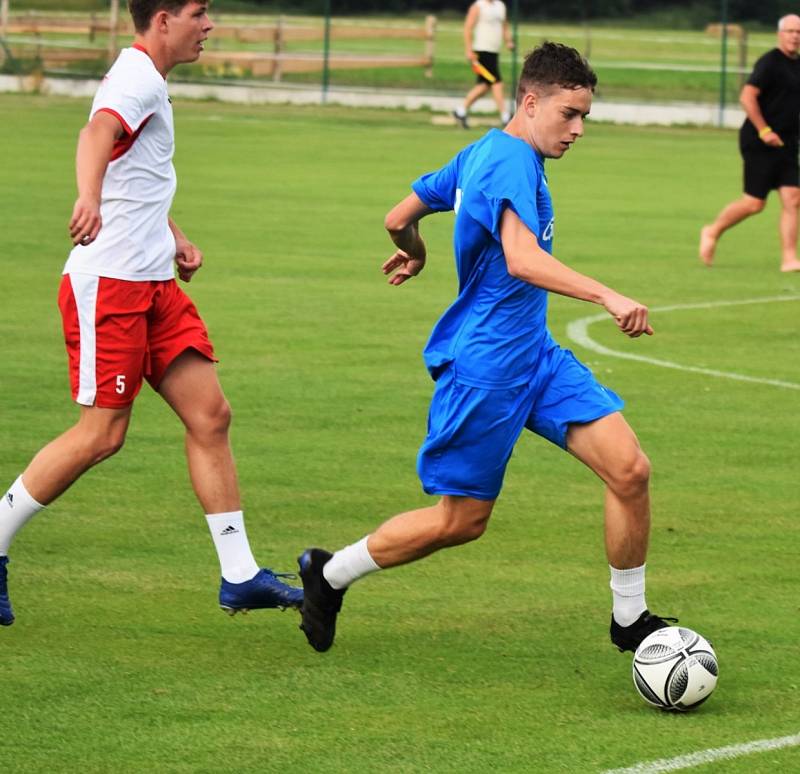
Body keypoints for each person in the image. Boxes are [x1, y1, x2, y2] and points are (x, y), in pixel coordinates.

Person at [297, 42, 674, 655]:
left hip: (536, 357)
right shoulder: (508, 162)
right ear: (530, 101)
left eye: (584, 117)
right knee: (461, 521)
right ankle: (329, 573)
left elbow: (399, 214)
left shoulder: (484, 152)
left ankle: (630, 618)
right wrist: (607, 295)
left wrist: (414, 249)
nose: (577, 130)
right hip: (486, 368)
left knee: (629, 470)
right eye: (569, 114)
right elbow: (524, 260)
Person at [0, 0, 302, 628]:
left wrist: (173, 235)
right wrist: (85, 196)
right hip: (109, 286)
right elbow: (96, 135)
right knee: (102, 435)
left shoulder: (149, 81)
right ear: (162, 19)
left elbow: (135, 176)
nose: (209, 25)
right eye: (197, 12)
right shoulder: (136, 77)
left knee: (210, 414)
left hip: (153, 284)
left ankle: (240, 574)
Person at [700, 15, 800, 272]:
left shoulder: (797, 65)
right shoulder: (770, 62)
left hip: (787, 142)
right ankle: (712, 231)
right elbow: (747, 97)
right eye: (790, 31)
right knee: (755, 203)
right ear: (780, 34)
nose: (795, 36)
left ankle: (789, 258)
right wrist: (764, 130)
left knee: (793, 198)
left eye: (798, 31)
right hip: (759, 141)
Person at [452, 0, 515, 129]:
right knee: (496, 82)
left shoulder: (500, 6)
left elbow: (505, 26)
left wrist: (508, 41)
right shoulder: (478, 6)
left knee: (485, 85)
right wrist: (468, 49)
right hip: (481, 51)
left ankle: (460, 110)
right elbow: (468, 27)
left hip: (494, 51)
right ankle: (505, 115)